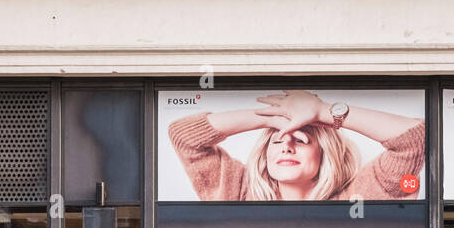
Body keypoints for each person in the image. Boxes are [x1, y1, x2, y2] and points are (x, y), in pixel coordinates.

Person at [167, 90, 425, 201]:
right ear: (265, 155)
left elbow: (414, 139)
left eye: (300, 140)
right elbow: (184, 137)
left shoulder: (357, 197)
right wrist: (275, 116)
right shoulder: (237, 192)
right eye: (277, 140)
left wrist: (322, 112)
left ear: (324, 154)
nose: (286, 146)